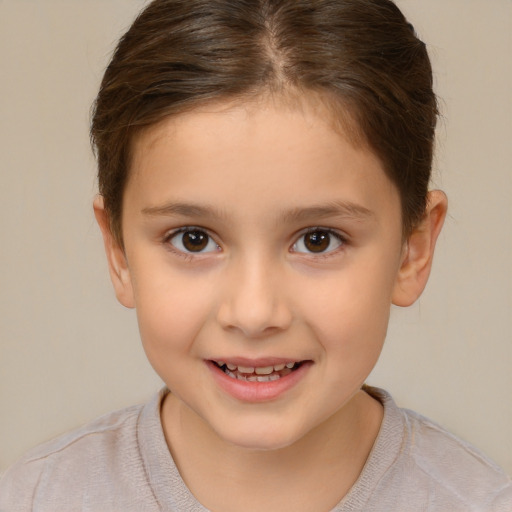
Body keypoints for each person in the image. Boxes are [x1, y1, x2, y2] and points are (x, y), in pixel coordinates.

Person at [1, 0, 510, 510]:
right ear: (118, 252)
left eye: (318, 239)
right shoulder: (35, 498)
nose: (253, 313)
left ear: (412, 251)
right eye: (193, 239)